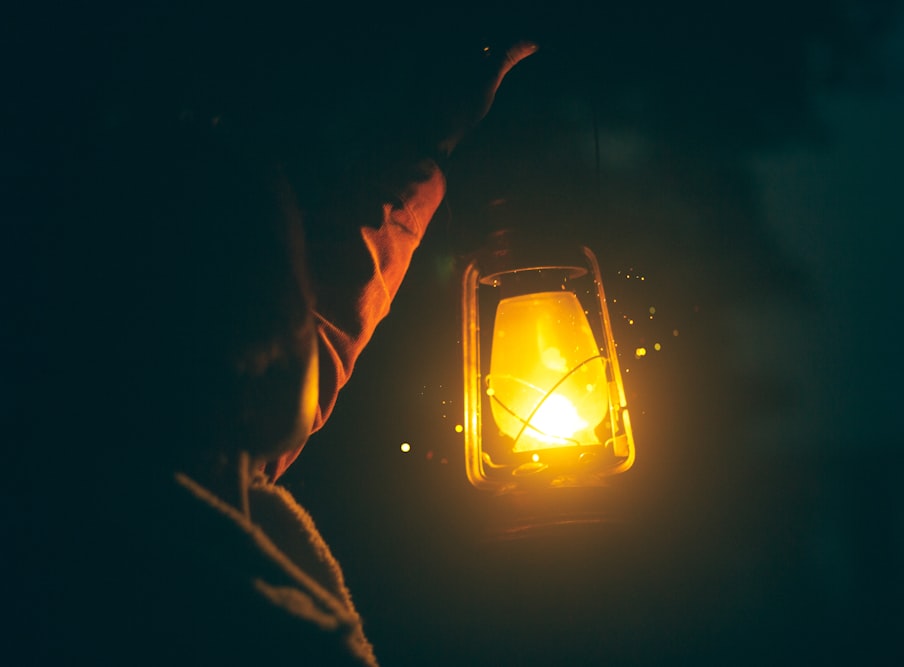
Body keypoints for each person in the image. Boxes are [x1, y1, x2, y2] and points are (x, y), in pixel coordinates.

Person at [17, 39, 535, 664]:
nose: (312, 326)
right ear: (261, 369)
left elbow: (338, 304)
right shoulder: (229, 618)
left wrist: (427, 144)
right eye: (291, 300)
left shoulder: (156, 477)